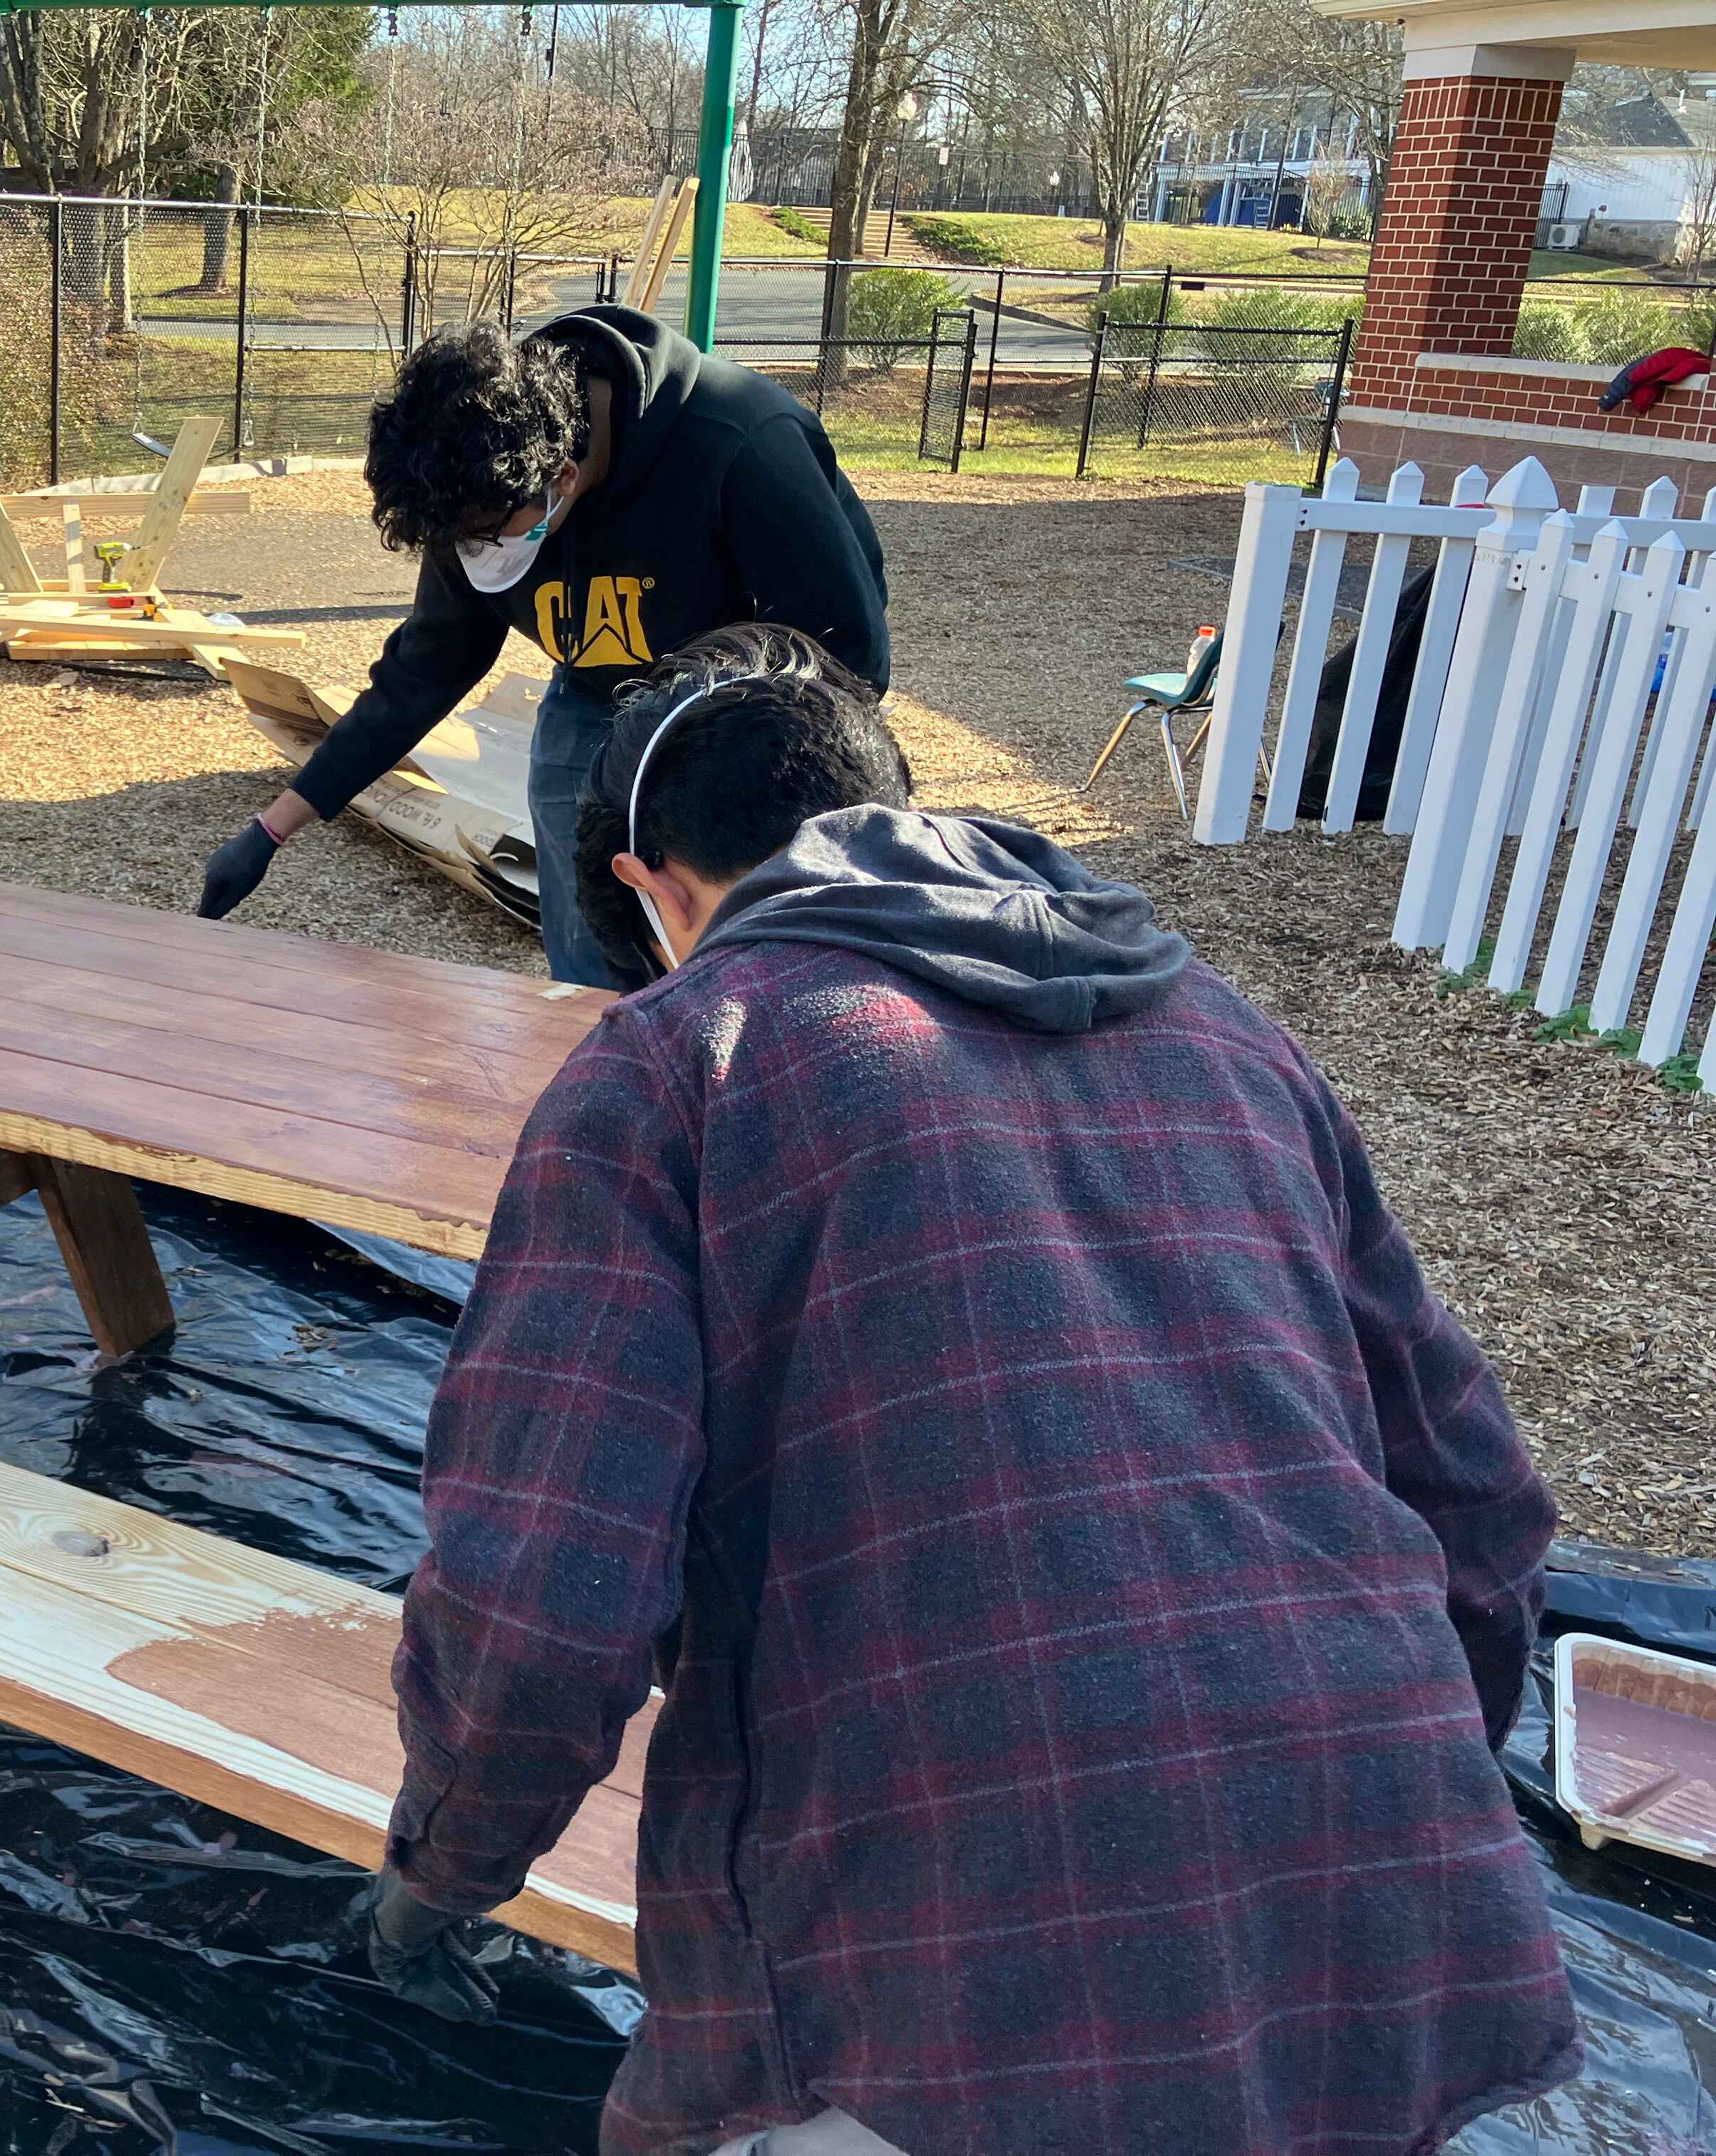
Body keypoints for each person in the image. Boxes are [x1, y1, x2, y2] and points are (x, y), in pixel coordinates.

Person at [359, 627, 1582, 2155]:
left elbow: (543, 1600)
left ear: (647, 887)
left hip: (959, 1991)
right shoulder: (1232, 1034)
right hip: (1401, 1917)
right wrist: (1378, 1778)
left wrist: (439, 1875)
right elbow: (1477, 1500)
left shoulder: (677, 1066)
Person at [192, 307, 888, 986]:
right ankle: (600, 1038)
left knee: (722, 918)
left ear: (562, 478)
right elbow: (425, 673)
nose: (476, 556)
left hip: (747, 710)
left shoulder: (741, 440)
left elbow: (849, 658)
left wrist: (720, 788)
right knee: (591, 930)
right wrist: (274, 828)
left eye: (490, 536)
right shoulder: (475, 489)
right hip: (595, 695)